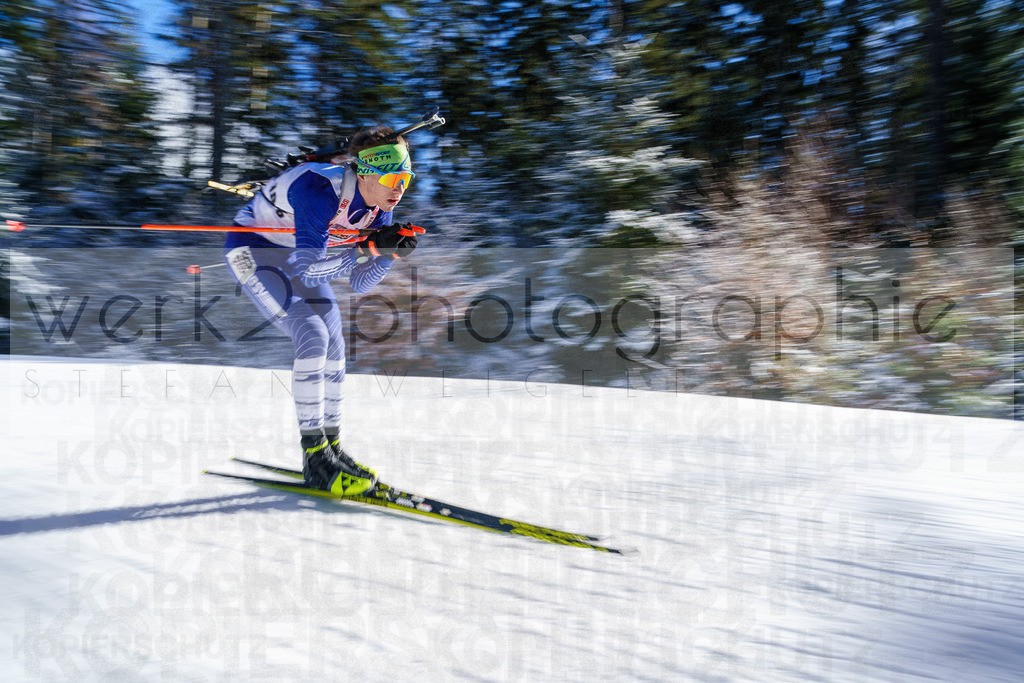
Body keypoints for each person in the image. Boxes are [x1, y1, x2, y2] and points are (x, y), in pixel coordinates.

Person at [223, 125, 422, 496]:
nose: (399, 188)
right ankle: (314, 456)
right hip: (254, 248)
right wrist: (363, 251)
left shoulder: (377, 208)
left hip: (298, 255)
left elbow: (361, 283)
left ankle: (331, 447)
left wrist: (387, 254)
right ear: (364, 172)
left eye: (407, 179)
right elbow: (308, 270)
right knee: (311, 334)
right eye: (393, 177)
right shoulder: (319, 190)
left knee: (335, 344)